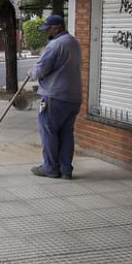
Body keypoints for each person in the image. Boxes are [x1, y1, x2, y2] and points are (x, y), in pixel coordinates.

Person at [27, 14, 82, 179]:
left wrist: (31, 72)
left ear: (57, 27)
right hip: (73, 97)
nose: (46, 33)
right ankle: (66, 169)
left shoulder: (55, 45)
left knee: (49, 131)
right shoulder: (74, 43)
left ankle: (50, 167)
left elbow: (40, 70)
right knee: (66, 133)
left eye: (48, 29)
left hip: (55, 97)